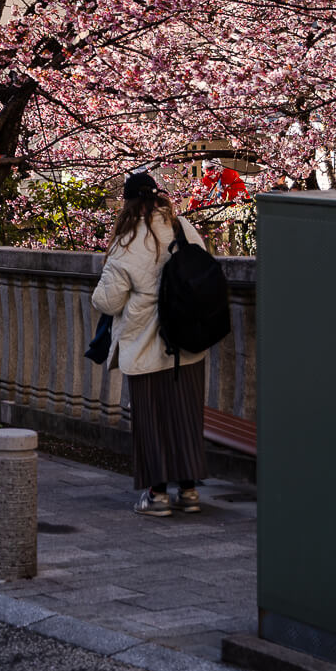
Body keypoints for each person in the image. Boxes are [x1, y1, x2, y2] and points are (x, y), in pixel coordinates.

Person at [92, 172, 209, 517]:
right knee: (186, 417)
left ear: (128, 202)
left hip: (145, 345)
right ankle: (189, 492)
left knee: (152, 420)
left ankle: (157, 495)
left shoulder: (127, 240)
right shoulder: (182, 227)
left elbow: (109, 301)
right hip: (186, 342)